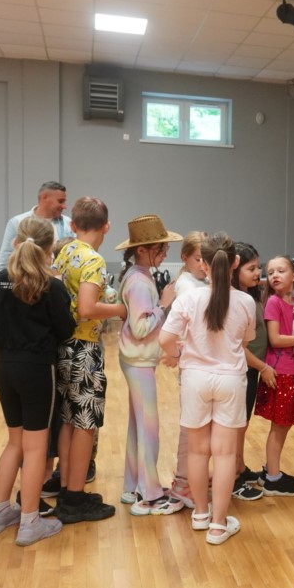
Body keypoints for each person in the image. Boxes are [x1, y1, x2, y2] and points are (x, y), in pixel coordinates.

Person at [0, 217, 75, 546]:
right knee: (36, 447)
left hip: (3, 368)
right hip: (36, 370)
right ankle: (30, 521)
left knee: (15, 443)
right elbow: (66, 330)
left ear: (17, 242)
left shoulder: (0, 281)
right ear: (50, 249)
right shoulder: (52, 285)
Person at [160, 232, 256, 545]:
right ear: (235, 262)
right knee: (225, 454)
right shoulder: (246, 302)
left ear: (202, 263)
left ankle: (200, 514)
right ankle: (218, 525)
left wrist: (176, 356)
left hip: (195, 380)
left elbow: (165, 339)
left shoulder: (188, 299)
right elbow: (244, 342)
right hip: (230, 380)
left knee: (197, 451)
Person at [52, 197, 127, 523]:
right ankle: (74, 498)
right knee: (85, 425)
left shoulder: (65, 251)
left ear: (72, 225)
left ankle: (68, 489)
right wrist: (121, 309)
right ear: (106, 227)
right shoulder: (93, 259)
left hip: (63, 345)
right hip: (84, 348)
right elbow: (86, 308)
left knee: (69, 421)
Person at [114, 215, 183, 516]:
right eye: (160, 249)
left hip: (135, 358)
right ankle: (150, 492)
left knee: (139, 426)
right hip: (139, 359)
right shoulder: (140, 282)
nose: (165, 253)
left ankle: (133, 486)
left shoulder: (137, 275)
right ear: (142, 250)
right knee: (149, 428)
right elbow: (141, 328)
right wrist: (164, 304)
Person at [253, 256, 294, 497]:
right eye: (271, 272)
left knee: (284, 426)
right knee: (279, 427)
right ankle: (272, 479)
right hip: (281, 372)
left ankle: (272, 470)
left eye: (281, 271)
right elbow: (275, 339)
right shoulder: (273, 302)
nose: (275, 275)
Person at [166, 230, 209, 509]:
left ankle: (192, 478)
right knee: (191, 427)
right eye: (197, 259)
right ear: (184, 257)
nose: (203, 265)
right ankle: (183, 481)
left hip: (203, 365)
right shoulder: (187, 286)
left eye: (206, 259)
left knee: (199, 426)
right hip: (195, 365)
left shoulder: (201, 281)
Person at [230, 242, 268, 501]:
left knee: (242, 424)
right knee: (236, 427)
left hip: (251, 370)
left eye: (258, 267)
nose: (258, 273)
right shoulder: (237, 300)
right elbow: (237, 346)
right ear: (235, 269)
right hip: (243, 370)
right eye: (251, 268)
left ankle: (240, 467)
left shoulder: (250, 296)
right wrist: (262, 366)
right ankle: (232, 477)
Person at [0, 181, 73, 274]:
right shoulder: (17, 222)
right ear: (44, 197)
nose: (64, 206)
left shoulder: (68, 223)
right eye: (60, 201)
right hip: (23, 280)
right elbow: (5, 259)